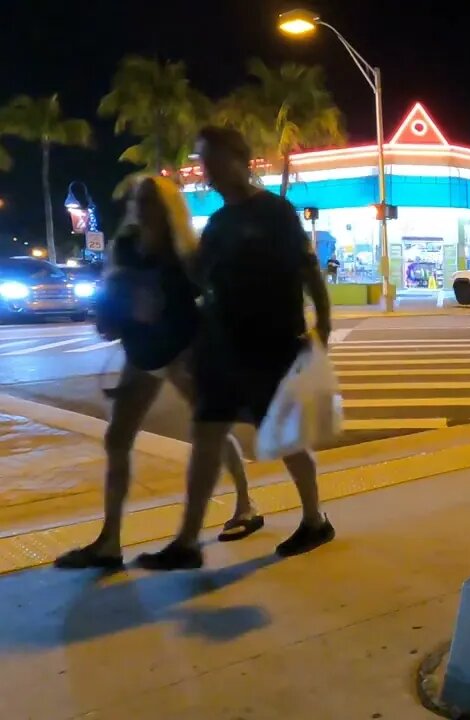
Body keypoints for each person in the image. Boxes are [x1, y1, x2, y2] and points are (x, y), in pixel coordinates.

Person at [136, 126, 335, 571]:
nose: (206, 170)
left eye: (212, 159)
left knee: (286, 438)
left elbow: (308, 269)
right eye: (203, 161)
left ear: (240, 158)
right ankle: (186, 541)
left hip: (272, 344)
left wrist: (323, 323)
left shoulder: (276, 213)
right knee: (207, 436)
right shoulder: (219, 224)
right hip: (224, 347)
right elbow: (200, 278)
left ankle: (314, 519)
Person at [54, 176, 262, 570]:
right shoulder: (127, 244)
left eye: (150, 199)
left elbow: (212, 294)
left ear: (169, 207)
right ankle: (110, 541)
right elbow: (112, 291)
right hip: (141, 353)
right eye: (138, 198)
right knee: (118, 439)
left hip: (183, 350)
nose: (141, 205)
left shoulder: (185, 248)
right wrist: (110, 316)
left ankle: (246, 504)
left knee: (211, 431)